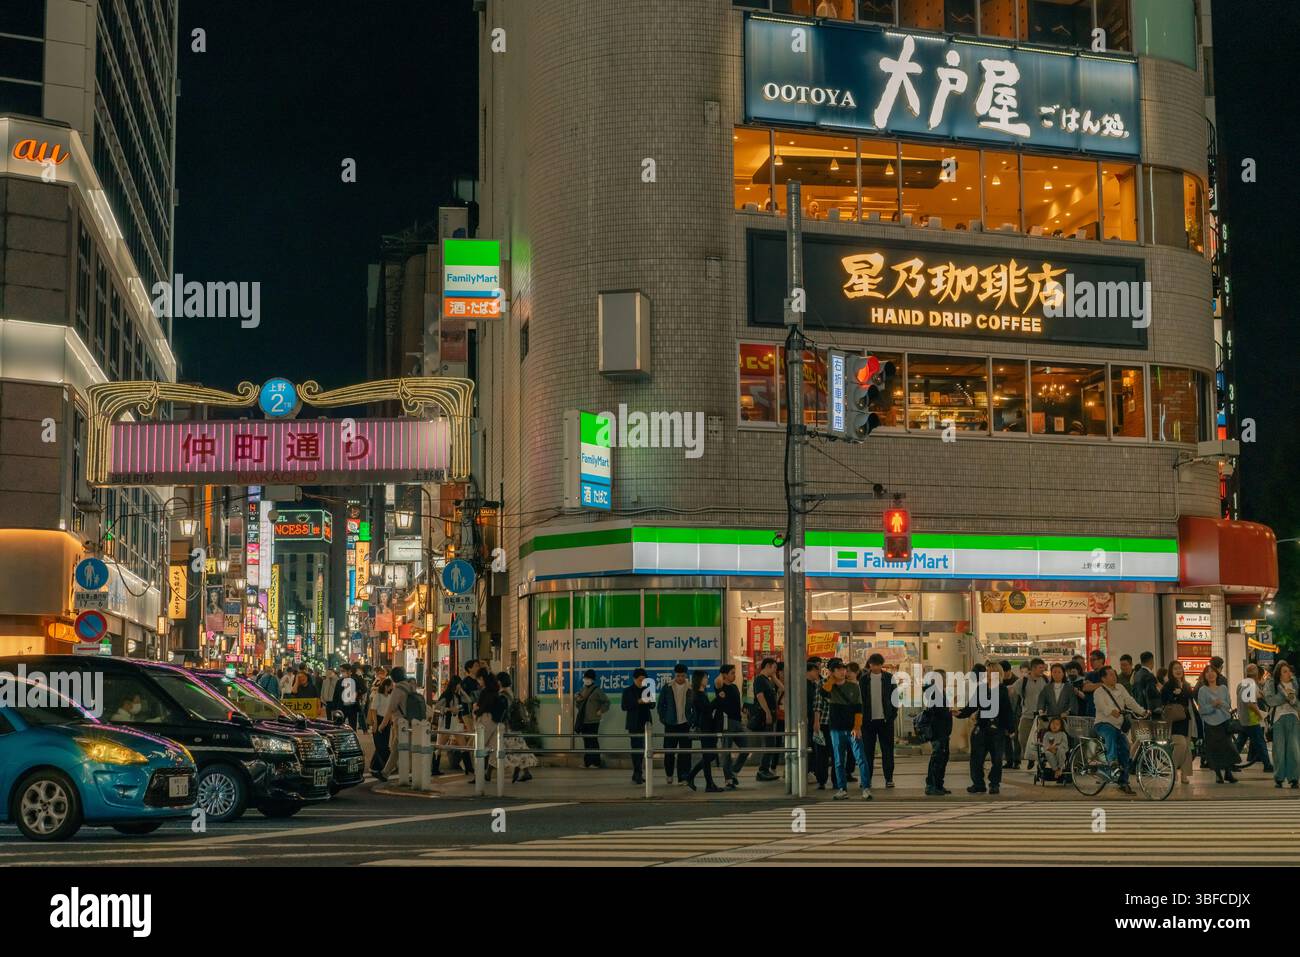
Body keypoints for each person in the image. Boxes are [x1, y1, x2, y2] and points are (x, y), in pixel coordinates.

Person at [956, 664, 1013, 794]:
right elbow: (971, 706)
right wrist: (960, 713)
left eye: (992, 673)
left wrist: (1011, 728)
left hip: (997, 730)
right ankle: (978, 784)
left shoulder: (1002, 690)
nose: (988, 675)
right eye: (987, 672)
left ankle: (994, 784)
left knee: (997, 759)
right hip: (981, 728)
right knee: (976, 759)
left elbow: (1007, 711)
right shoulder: (981, 689)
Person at [1092, 666, 1147, 795]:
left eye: (1114, 674)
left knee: (1125, 750)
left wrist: (1142, 711)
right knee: (1110, 734)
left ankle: (1123, 782)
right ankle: (1112, 761)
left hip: (1118, 726)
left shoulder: (1121, 688)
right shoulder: (1098, 692)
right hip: (1102, 724)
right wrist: (1111, 711)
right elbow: (1101, 706)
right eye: (1110, 675)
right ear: (1103, 678)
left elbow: (1130, 701)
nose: (1114, 677)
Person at [823, 658, 869, 800]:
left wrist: (857, 727)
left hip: (852, 729)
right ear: (832, 672)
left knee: (860, 758)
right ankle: (842, 788)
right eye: (838, 669)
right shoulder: (829, 686)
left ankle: (866, 787)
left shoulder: (854, 686)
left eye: (843, 669)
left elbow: (858, 708)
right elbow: (824, 692)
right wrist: (831, 678)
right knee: (838, 760)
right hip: (836, 728)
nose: (842, 671)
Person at [858, 653, 897, 791]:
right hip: (868, 722)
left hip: (885, 721)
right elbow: (860, 700)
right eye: (873, 664)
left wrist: (892, 715)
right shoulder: (863, 680)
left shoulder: (888, 678)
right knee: (868, 752)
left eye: (878, 664)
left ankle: (889, 778)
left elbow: (895, 698)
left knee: (888, 751)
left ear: (882, 665)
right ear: (869, 664)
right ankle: (867, 779)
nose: (875, 667)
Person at [1196, 664, 1238, 783]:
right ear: (1204, 676)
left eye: (1212, 671)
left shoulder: (1223, 688)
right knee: (1214, 750)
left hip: (1224, 721)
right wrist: (1213, 706)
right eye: (1207, 672)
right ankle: (1218, 774)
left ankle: (1228, 773)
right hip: (1210, 724)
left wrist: (1221, 703)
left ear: (1217, 673)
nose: (1210, 674)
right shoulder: (1202, 690)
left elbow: (1228, 705)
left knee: (1227, 747)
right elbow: (1202, 709)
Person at [494, 672, 537, 784]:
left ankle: (488, 773)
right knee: (519, 747)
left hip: (509, 726)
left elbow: (503, 711)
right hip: (515, 726)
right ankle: (524, 771)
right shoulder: (511, 692)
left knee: (506, 748)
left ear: (499, 682)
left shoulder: (502, 694)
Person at [1263, 660, 1300, 788]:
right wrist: (1284, 696)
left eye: (1289, 671)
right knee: (1279, 749)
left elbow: (1297, 703)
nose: (1288, 673)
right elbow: (1270, 700)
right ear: (1279, 674)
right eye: (1285, 671)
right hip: (1278, 718)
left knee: (1294, 749)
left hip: (1294, 717)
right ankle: (1279, 777)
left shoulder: (1295, 683)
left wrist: (1293, 699)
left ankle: (1294, 778)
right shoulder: (1273, 684)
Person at [685, 670, 723, 792]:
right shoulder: (696, 695)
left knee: (709, 756)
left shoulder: (702, 693)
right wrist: (717, 699)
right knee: (709, 756)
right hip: (705, 728)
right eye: (705, 678)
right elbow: (706, 709)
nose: (707, 679)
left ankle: (700, 780)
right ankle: (706, 783)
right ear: (699, 680)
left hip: (708, 727)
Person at [1160, 660, 1196, 785]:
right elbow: (1164, 700)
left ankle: (1184, 775)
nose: (1178, 670)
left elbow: (1190, 700)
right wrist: (1175, 696)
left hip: (1186, 719)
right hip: (1174, 720)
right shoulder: (1168, 685)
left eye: (1180, 668)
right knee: (1181, 744)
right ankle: (1173, 769)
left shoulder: (1186, 685)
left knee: (1187, 748)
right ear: (1171, 671)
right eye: (1175, 668)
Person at [380, 667, 420, 779]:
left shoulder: (397, 689)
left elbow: (390, 709)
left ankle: (414, 774)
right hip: (412, 721)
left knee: (401, 748)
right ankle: (386, 772)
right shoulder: (410, 687)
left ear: (393, 678)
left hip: (401, 723)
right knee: (396, 748)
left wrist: (382, 724)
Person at [657, 663, 693, 785]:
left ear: (686, 675)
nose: (680, 678)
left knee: (685, 753)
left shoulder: (690, 688)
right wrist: (664, 719)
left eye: (682, 676)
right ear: (674, 674)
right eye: (678, 676)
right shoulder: (667, 687)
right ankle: (669, 774)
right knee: (669, 752)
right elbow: (660, 705)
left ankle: (683, 777)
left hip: (685, 724)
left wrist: (692, 720)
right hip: (671, 724)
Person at [714, 664, 749, 789]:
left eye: (735, 672)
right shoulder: (720, 686)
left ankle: (734, 771)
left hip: (737, 721)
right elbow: (717, 680)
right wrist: (721, 673)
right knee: (726, 751)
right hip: (726, 722)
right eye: (732, 673)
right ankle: (728, 779)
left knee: (746, 747)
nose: (734, 675)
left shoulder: (734, 687)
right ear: (724, 675)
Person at [921, 669, 953, 796]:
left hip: (942, 731)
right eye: (944, 678)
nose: (946, 681)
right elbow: (938, 711)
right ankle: (932, 785)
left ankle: (938, 784)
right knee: (937, 759)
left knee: (942, 758)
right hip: (938, 731)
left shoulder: (938, 692)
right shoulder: (935, 693)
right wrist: (949, 709)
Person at [1235, 664, 1272, 772]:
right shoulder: (1251, 685)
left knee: (1240, 742)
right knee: (1260, 742)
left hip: (1243, 718)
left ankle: (1230, 762)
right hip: (1252, 719)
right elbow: (1250, 703)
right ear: (1257, 673)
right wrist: (1261, 715)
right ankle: (1267, 765)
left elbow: (1244, 698)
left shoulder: (1242, 684)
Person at [621, 668, 654, 786]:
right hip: (634, 723)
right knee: (636, 749)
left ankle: (638, 773)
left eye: (644, 680)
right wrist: (638, 701)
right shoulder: (628, 691)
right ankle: (637, 773)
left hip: (645, 723)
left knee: (644, 749)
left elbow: (653, 705)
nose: (642, 682)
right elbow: (624, 706)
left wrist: (649, 700)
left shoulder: (648, 689)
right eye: (640, 680)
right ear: (634, 679)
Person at [1015, 658, 1048, 769]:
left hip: (1042, 716)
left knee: (1042, 740)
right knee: (1022, 738)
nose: (1042, 670)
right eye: (1040, 668)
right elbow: (1013, 690)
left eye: (1043, 668)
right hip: (1027, 715)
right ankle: (1030, 757)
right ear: (1033, 668)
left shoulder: (1046, 680)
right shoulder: (1022, 681)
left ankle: (1041, 760)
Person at [750, 657, 780, 782]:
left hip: (771, 715)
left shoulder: (767, 680)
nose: (775, 671)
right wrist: (767, 712)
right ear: (767, 666)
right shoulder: (759, 680)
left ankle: (765, 769)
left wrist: (773, 677)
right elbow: (760, 696)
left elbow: (782, 688)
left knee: (771, 743)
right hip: (765, 716)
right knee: (770, 743)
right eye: (773, 668)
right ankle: (763, 770)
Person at [573, 669, 610, 768]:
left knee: (593, 741)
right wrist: (578, 700)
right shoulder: (582, 689)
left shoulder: (597, 690)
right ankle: (587, 762)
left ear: (593, 679)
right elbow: (579, 705)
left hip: (593, 720)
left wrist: (601, 710)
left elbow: (606, 702)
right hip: (583, 720)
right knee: (586, 741)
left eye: (588, 678)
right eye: (585, 678)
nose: (586, 680)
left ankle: (595, 762)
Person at [474, 674, 507, 783]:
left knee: (478, 746)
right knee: (493, 747)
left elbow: (481, 707)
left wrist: (476, 713)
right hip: (496, 722)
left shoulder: (485, 692)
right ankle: (487, 773)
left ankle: (477, 775)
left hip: (486, 719)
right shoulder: (497, 693)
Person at [434, 676, 470, 776]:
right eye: (459, 684)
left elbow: (468, 700)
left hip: (455, 722)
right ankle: (434, 769)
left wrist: (461, 691)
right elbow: (436, 707)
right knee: (439, 746)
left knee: (463, 746)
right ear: (455, 684)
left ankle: (468, 768)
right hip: (446, 722)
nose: (460, 686)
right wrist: (450, 709)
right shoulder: (446, 695)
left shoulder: (458, 696)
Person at [807, 659, 830, 790]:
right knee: (820, 752)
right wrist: (816, 721)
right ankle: (819, 777)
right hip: (821, 723)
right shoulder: (820, 683)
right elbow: (817, 704)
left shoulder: (815, 684)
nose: (818, 671)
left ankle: (826, 779)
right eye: (816, 669)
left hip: (830, 723)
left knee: (826, 752)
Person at [368, 676, 393, 779]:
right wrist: (375, 723)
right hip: (378, 719)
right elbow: (373, 710)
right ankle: (382, 766)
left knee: (384, 744)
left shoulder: (390, 696)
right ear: (387, 686)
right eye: (391, 686)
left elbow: (390, 710)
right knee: (380, 745)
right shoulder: (378, 696)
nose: (392, 688)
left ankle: (374, 767)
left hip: (387, 721)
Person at [1039, 716, 1069, 782]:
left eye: (1057, 724)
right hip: (1049, 750)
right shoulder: (1047, 734)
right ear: (1049, 725)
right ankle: (1056, 769)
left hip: (1060, 750)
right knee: (1047, 753)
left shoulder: (1063, 734)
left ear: (1061, 726)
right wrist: (1050, 748)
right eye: (1052, 724)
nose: (1054, 726)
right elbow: (1045, 744)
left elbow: (1064, 744)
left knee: (1061, 751)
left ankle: (1060, 768)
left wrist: (1057, 747)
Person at [1079, 650, 1107, 717]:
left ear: (1101, 660)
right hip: (1091, 710)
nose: (1091, 662)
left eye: (1093, 660)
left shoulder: (1108, 672)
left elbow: (1109, 686)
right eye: (1090, 660)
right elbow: (1085, 688)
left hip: (1105, 711)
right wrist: (1102, 684)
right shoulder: (1090, 674)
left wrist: (1092, 685)